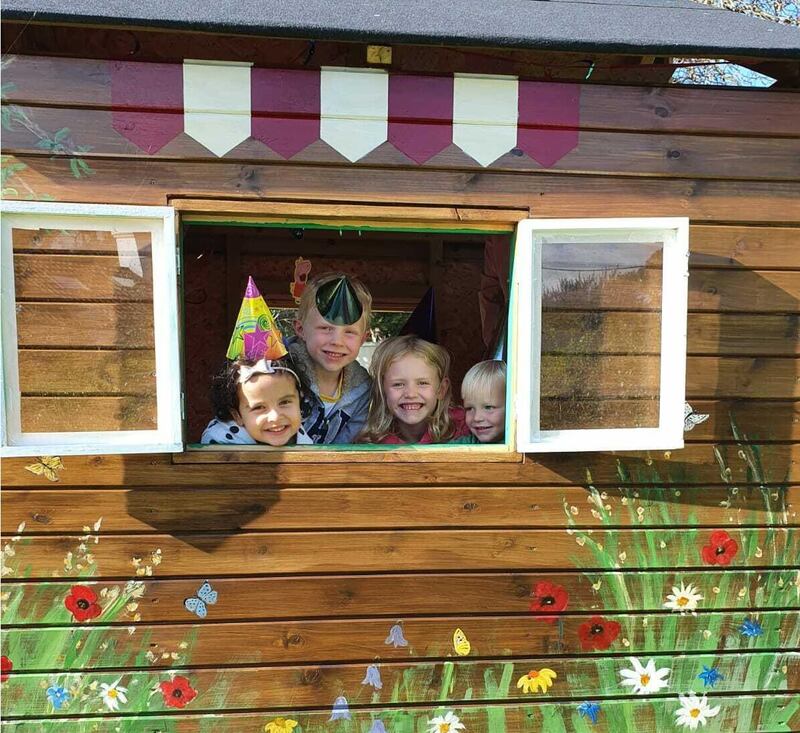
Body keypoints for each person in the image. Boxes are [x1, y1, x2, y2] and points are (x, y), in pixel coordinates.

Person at [288, 272, 372, 444]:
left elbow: (346, 449)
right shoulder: (277, 374)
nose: (337, 342)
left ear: (363, 338)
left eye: (349, 332)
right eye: (325, 329)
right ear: (300, 329)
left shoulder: (363, 390)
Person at [359, 334, 469, 444]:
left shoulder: (466, 429)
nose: (411, 394)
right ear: (383, 389)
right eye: (398, 384)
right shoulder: (372, 443)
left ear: (441, 390)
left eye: (422, 383)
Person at [201, 358, 311, 446]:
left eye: (285, 402)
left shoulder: (301, 437)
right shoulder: (220, 443)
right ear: (237, 416)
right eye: (259, 407)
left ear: (299, 400)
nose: (275, 417)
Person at [458, 359, 507, 444]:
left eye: (488, 407)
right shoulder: (467, 443)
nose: (477, 418)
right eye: (469, 408)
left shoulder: (521, 446)